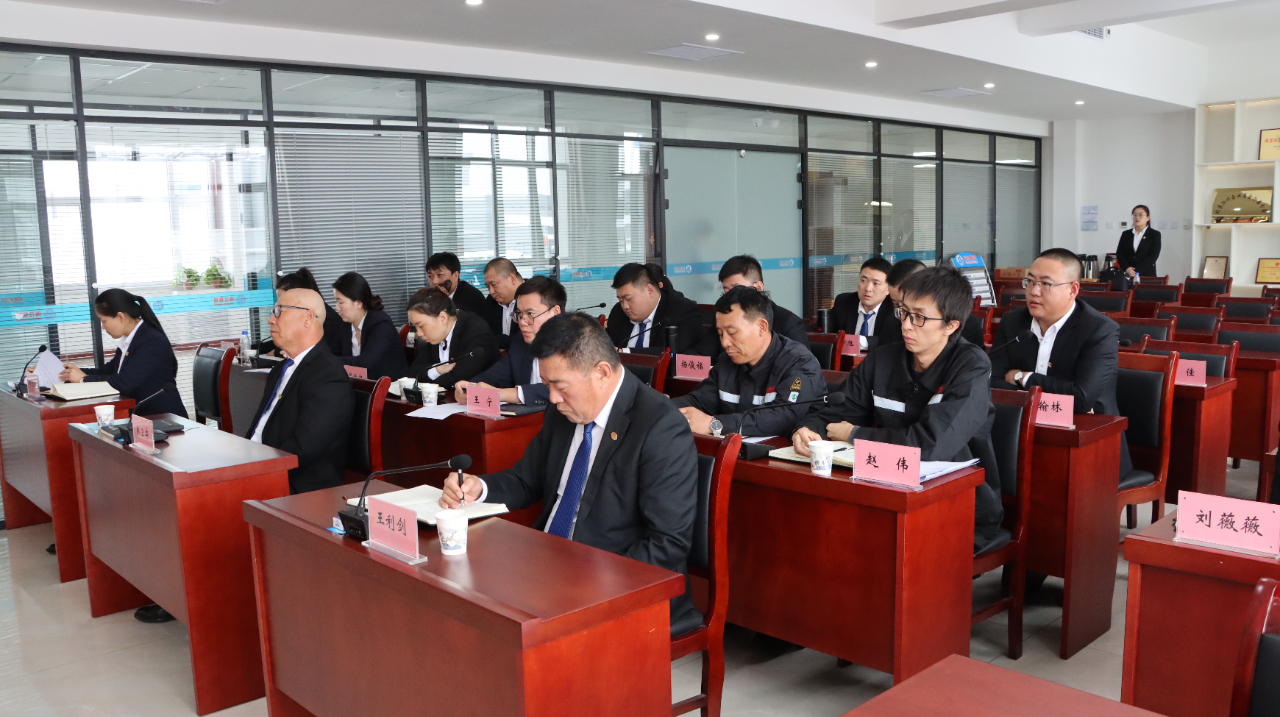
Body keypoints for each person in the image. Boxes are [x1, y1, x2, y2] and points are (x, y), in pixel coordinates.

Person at [439, 313, 702, 633]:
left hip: (615, 581)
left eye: (560, 386)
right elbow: (525, 479)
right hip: (549, 564)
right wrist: (478, 488)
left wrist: (586, 582)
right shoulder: (562, 410)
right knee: (463, 603)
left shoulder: (660, 426)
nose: (552, 398)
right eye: (547, 385)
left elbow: (667, 542)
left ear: (601, 373)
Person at [792, 267, 1004, 553]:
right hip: (886, 488)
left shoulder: (971, 367)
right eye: (903, 312)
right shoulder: (884, 359)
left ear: (951, 326)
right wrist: (808, 429)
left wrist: (854, 434)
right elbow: (839, 409)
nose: (906, 325)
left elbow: (931, 445)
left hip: (960, 503)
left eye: (919, 317)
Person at [987, 248, 1131, 477]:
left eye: (1046, 284)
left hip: (1091, 445)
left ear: (1073, 290)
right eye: (1030, 282)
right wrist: (1056, 397)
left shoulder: (1099, 330)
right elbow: (992, 383)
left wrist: (1022, 377)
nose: (1034, 291)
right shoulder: (1013, 322)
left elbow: (1081, 399)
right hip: (1020, 435)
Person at [673, 286, 825, 438]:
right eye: (720, 334)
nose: (725, 342)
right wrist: (665, 406)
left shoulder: (800, 363)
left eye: (732, 332)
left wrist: (714, 424)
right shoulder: (727, 361)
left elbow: (782, 416)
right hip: (742, 449)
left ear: (762, 327)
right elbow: (700, 400)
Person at [247, 288, 354, 495]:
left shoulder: (328, 375)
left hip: (298, 487)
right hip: (263, 469)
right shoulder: (280, 369)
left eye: (279, 312)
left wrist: (256, 472)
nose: (271, 319)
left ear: (308, 317)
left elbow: (303, 448)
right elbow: (259, 432)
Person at [59, 289, 187, 417]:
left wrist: (83, 379)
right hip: (142, 417)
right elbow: (108, 371)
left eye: (104, 321)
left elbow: (124, 383)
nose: (103, 327)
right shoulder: (131, 339)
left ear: (121, 316)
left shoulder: (151, 340)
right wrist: (72, 372)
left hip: (163, 418)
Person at [454, 276, 564, 406]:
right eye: (520, 314)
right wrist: (470, 388)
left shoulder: (576, 344)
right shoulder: (520, 342)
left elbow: (561, 388)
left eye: (530, 314)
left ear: (555, 312)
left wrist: (500, 394)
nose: (522, 322)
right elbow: (496, 375)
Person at [406, 287, 499, 389]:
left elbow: (458, 378)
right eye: (415, 327)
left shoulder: (476, 331)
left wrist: (429, 380)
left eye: (421, 326)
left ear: (442, 318)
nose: (419, 333)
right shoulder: (436, 336)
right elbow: (413, 372)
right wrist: (439, 369)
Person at [605, 263, 704, 353]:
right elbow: (605, 344)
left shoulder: (682, 309)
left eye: (628, 298)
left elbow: (674, 352)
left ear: (649, 290)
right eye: (620, 300)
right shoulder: (618, 311)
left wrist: (624, 352)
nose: (625, 306)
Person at [717, 255, 811, 350]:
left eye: (737, 289)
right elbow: (708, 354)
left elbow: (801, 358)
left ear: (759, 287)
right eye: (726, 291)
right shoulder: (723, 318)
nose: (730, 297)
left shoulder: (788, 323)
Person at [887, 259, 986, 347]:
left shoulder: (969, 328)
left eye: (919, 316)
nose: (905, 325)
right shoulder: (892, 322)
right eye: (897, 305)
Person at [331, 272, 408, 381]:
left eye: (341, 302)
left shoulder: (381, 324)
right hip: (359, 385)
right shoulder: (346, 325)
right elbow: (332, 353)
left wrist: (330, 361)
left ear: (358, 303)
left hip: (389, 387)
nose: (337, 308)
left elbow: (365, 362)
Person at [258, 268, 345, 356]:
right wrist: (256, 348)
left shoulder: (329, 322)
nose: (271, 320)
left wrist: (277, 352)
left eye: (282, 305)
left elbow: (312, 351)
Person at [830, 257, 896, 350]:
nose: (868, 288)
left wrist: (861, 341)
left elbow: (893, 340)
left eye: (876, 283)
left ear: (888, 289)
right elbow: (825, 333)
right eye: (864, 281)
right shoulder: (844, 302)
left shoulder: (895, 309)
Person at [480, 257, 523, 349]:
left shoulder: (533, 297)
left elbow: (526, 341)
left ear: (512, 279)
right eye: (488, 287)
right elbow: (483, 335)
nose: (491, 291)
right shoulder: (491, 301)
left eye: (494, 285)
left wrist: (500, 340)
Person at [1116, 204, 1161, 280]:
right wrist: (1127, 268)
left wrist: (1136, 271)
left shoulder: (1154, 234)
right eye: (1135, 215)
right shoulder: (1126, 234)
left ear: (1148, 218)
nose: (1137, 217)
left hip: (1146, 275)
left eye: (1141, 215)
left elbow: (1153, 256)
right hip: (1127, 275)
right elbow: (1120, 253)